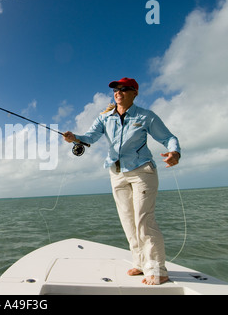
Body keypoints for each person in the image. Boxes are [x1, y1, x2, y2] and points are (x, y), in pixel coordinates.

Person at [64, 77, 181, 285]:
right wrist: (75, 137)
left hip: (142, 172)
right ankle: (139, 262)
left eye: (124, 89)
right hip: (116, 174)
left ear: (134, 93)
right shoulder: (104, 118)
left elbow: (168, 138)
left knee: (144, 220)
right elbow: (90, 137)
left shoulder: (146, 116)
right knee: (128, 221)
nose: (119, 92)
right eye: (116, 89)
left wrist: (174, 152)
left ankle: (157, 269)